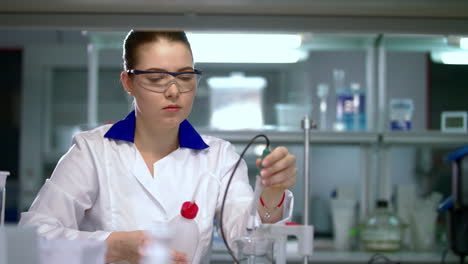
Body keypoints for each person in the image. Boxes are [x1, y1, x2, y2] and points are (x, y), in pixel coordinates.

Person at [19, 30, 297, 264]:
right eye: (155, 79)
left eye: (185, 77)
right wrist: (113, 246)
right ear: (128, 82)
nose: (174, 91)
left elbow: (250, 246)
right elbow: (32, 239)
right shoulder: (93, 151)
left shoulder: (219, 158)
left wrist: (272, 193)